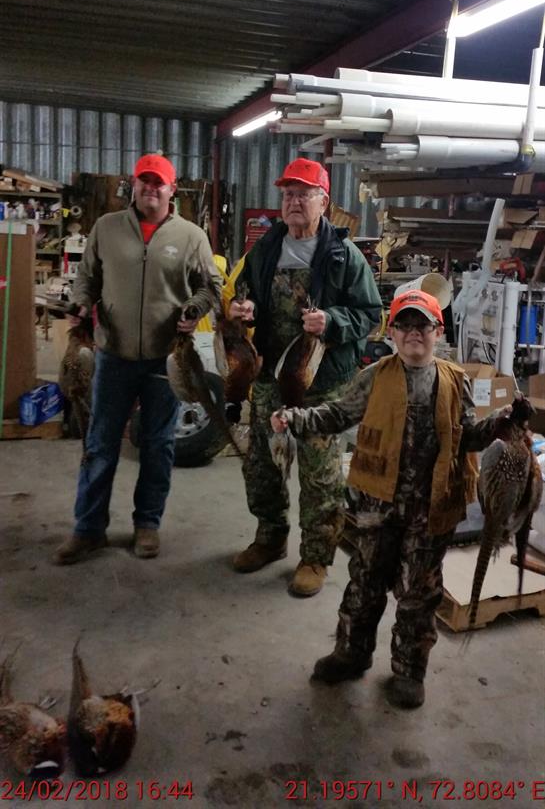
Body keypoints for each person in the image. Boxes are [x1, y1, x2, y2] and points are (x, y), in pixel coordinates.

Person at [271, 289, 506, 706]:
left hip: (431, 510)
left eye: (423, 326)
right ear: (392, 333)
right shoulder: (375, 376)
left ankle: (409, 673)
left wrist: (504, 423)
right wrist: (294, 418)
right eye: (405, 325)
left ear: (438, 332)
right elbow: (337, 414)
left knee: (418, 596)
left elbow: (468, 434)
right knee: (364, 585)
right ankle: (351, 653)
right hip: (375, 508)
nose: (414, 333)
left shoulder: (455, 381)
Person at [54, 153, 222, 565]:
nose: (151, 188)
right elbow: (87, 279)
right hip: (113, 354)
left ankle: (147, 524)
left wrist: (194, 309)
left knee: (159, 443)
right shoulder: (106, 228)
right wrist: (79, 304)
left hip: (166, 359)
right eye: (144, 182)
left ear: (172, 188)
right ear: (135, 186)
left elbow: (211, 286)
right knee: (100, 443)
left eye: (158, 182)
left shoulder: (191, 236)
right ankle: (88, 529)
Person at [228, 157, 382, 596]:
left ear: (324, 202)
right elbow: (246, 297)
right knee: (262, 466)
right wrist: (245, 311)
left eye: (304, 193)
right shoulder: (264, 250)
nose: (294, 201)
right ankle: (270, 537)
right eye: (288, 194)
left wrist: (332, 321)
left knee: (319, 474)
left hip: (322, 384)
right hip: (270, 378)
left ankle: (315, 556)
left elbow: (371, 314)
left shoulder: (343, 255)